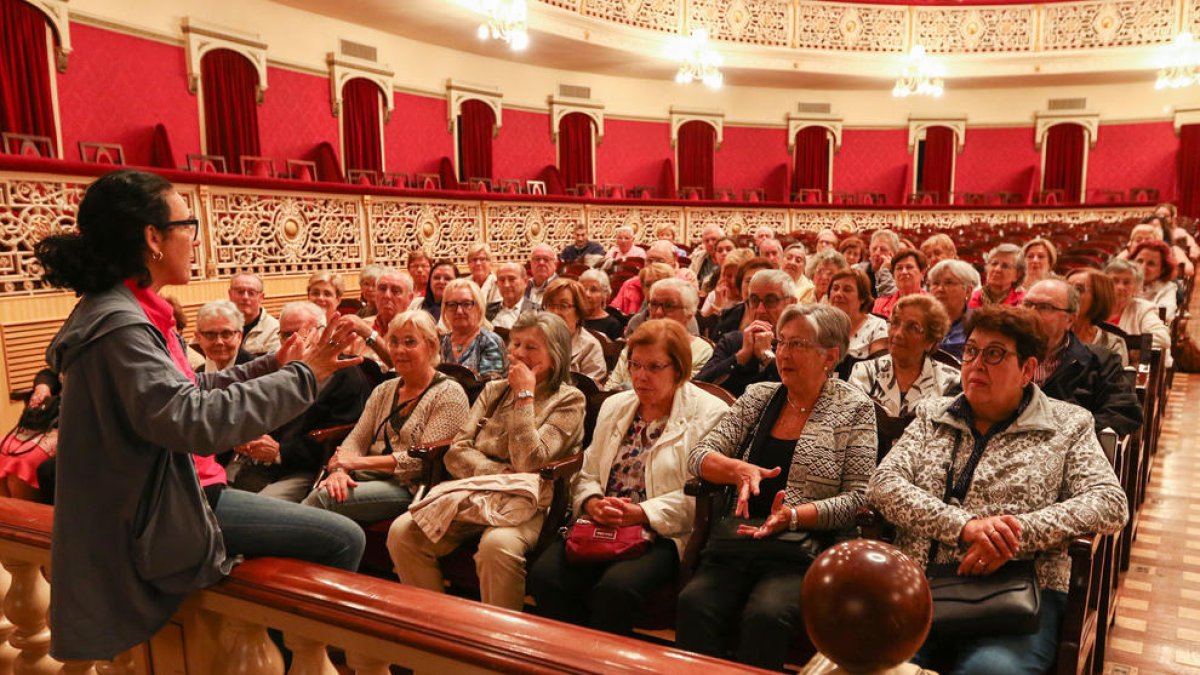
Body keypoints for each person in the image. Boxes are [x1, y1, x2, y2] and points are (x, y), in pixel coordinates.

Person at [34, 169, 366, 661]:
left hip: (183, 490)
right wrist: (306, 375)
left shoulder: (127, 309)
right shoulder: (121, 325)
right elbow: (193, 421)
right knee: (342, 537)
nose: (194, 239)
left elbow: (187, 389)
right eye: (188, 225)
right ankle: (293, 660)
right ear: (152, 238)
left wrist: (271, 365)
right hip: (170, 502)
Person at [868, 305, 1128, 675]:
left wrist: (1013, 535)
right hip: (920, 585)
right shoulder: (933, 414)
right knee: (876, 661)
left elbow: (1109, 502)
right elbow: (884, 484)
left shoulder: (1067, 425)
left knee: (989, 671)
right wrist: (965, 527)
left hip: (1018, 595)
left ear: (1026, 369)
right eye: (971, 351)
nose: (976, 363)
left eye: (994, 354)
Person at [677, 304, 876, 671]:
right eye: (781, 342)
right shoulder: (759, 395)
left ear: (830, 355)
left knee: (766, 616)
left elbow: (860, 498)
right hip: (739, 538)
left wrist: (795, 516)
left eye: (797, 344)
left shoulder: (854, 408)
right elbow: (699, 455)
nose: (783, 353)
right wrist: (738, 470)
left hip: (803, 550)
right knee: (695, 604)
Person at [528, 319, 729, 634]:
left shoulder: (710, 414)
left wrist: (640, 513)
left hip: (660, 532)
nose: (640, 376)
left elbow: (699, 495)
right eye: (634, 365)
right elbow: (589, 469)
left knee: (616, 589)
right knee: (545, 576)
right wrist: (592, 501)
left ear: (679, 369)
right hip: (600, 522)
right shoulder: (616, 405)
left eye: (653, 367)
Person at [388, 312, 587, 610]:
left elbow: (529, 462)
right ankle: (437, 625)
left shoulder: (569, 400)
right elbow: (456, 451)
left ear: (556, 354)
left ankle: (499, 642)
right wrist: (496, 472)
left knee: (498, 546)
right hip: (476, 491)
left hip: (529, 503)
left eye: (531, 347)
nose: (518, 353)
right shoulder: (494, 390)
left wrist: (524, 395)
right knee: (403, 532)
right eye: (516, 344)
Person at [304, 311, 471, 522]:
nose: (399, 350)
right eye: (394, 341)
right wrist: (338, 471)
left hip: (412, 487)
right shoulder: (384, 389)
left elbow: (419, 463)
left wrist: (355, 463)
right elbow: (357, 439)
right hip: (366, 477)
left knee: (323, 498)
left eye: (410, 342)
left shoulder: (449, 393)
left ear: (431, 346)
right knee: (327, 489)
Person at [226, 302, 372, 502]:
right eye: (286, 335)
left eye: (302, 333)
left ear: (323, 333)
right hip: (252, 462)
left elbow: (339, 438)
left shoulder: (347, 374)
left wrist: (279, 452)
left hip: (306, 467)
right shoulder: (276, 367)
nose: (294, 341)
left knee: (256, 510)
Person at [1023, 279, 1142, 436]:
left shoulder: (1100, 361)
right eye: (1026, 304)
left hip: (1067, 454)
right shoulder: (1001, 356)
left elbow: (1124, 412)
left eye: (1045, 307)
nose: (1031, 312)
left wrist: (1065, 436)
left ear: (1070, 320)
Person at [849, 295, 959, 417]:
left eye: (912, 327)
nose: (898, 334)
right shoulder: (864, 372)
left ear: (930, 341)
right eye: (895, 323)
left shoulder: (950, 382)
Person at [696, 270, 797, 397]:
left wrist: (766, 357)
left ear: (792, 303)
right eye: (754, 300)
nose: (760, 310)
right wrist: (740, 357)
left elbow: (799, 390)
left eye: (770, 300)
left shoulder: (799, 346)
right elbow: (697, 386)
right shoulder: (733, 341)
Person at [608, 278, 714, 390]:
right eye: (654, 304)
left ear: (689, 314)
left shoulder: (702, 351)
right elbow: (612, 386)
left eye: (669, 306)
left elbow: (680, 395)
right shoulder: (636, 342)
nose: (658, 312)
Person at [542, 278, 607, 383]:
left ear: (578, 312)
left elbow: (590, 392)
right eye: (550, 305)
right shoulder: (537, 339)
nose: (555, 312)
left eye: (563, 306)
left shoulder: (590, 347)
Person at [441, 278, 508, 378]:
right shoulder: (443, 342)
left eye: (466, 304)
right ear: (444, 309)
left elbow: (490, 388)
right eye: (452, 304)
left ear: (479, 307)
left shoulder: (490, 341)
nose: (459, 311)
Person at [1105, 258, 1172, 357]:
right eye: (1115, 281)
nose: (1120, 287)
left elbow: (1162, 338)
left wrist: (1124, 342)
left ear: (1136, 287)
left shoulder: (1143, 309)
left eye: (1127, 282)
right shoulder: (1094, 306)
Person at [348, 267, 412, 369]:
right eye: (382, 289)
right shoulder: (363, 324)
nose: (386, 295)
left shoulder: (416, 328)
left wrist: (370, 335)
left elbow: (402, 366)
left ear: (410, 298)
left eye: (395, 291)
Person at [1066, 268, 1129, 366]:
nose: (1068, 295)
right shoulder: (1051, 335)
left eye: (1078, 289)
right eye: (1066, 288)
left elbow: (1114, 380)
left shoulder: (1112, 344)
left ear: (1098, 297)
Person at [828, 269, 887, 360]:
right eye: (835, 288)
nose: (838, 294)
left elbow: (879, 367)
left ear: (862, 297)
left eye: (847, 290)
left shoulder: (877, 326)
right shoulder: (821, 325)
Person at [928, 259, 980, 361]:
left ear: (968, 291)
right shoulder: (921, 321)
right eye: (935, 283)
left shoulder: (979, 324)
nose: (940, 289)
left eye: (949, 283)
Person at [194, 300, 254, 373]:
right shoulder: (197, 375)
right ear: (198, 338)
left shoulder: (257, 371)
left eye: (226, 334)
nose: (219, 342)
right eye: (210, 334)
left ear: (239, 336)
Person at [228, 272, 280, 355]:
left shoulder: (275, 329)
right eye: (240, 292)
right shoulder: (219, 326)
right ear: (230, 294)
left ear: (261, 298)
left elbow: (272, 365)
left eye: (251, 293)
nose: (245, 297)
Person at [1131, 239, 1179, 323]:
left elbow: (1166, 314)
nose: (1143, 267)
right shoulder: (1122, 283)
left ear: (1163, 269)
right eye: (1139, 261)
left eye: (1151, 264)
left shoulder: (1168, 288)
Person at [872, 248, 928, 318]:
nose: (904, 272)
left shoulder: (931, 305)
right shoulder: (880, 304)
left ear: (922, 273)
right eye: (899, 268)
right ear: (893, 275)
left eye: (909, 267)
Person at [968, 243, 1024, 308]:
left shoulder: (1022, 302)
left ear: (1017, 275)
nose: (997, 269)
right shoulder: (972, 297)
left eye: (1005, 266)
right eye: (994, 264)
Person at [487, 262, 535, 329]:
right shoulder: (486, 311)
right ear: (497, 284)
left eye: (512, 279)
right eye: (502, 280)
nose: (506, 285)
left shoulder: (536, 312)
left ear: (525, 282)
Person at [580, 269, 624, 340]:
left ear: (604, 295)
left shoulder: (613, 325)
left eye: (593, 290)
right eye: (583, 289)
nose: (587, 294)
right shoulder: (574, 318)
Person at [855, 230, 899, 297]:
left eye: (883, 249)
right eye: (874, 249)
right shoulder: (858, 271)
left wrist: (885, 271)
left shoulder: (900, 274)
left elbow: (888, 301)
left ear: (894, 254)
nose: (877, 253)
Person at [689, 224, 726, 290]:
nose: (710, 243)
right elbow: (689, 276)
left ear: (723, 239)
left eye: (714, 239)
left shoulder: (729, 257)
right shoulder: (698, 257)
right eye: (707, 241)